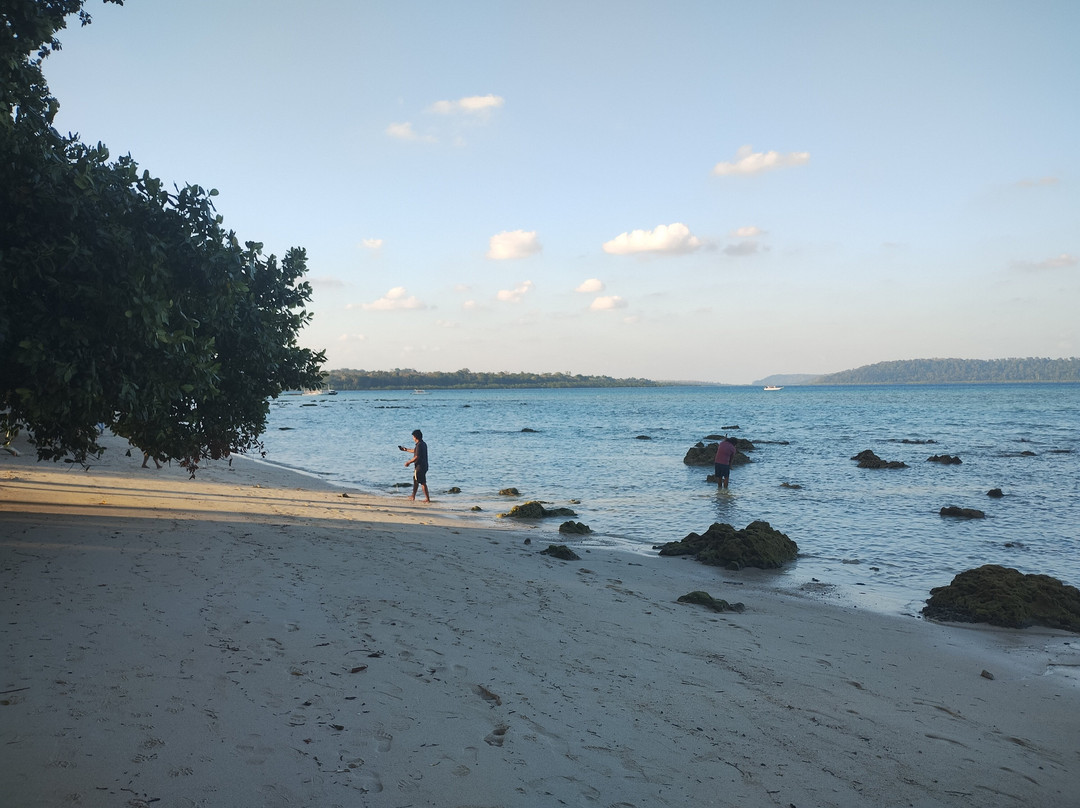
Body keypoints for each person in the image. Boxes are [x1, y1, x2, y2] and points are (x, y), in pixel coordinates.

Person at [399, 429, 430, 502]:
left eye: (413, 436)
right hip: (424, 465)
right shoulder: (423, 444)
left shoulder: (419, 445)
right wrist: (405, 449)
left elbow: (417, 457)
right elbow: (415, 451)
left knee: (422, 482)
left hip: (420, 467)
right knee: (416, 481)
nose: (413, 438)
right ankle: (413, 496)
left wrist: (408, 462)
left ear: (415, 437)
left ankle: (427, 499)